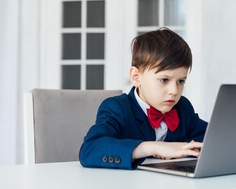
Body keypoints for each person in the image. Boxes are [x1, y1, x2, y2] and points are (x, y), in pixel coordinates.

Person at [79, 27, 208, 169]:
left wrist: (185, 149)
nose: (174, 91)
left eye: (181, 81)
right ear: (136, 77)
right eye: (164, 80)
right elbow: (90, 149)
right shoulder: (116, 108)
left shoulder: (183, 107)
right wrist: (153, 148)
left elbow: (211, 137)